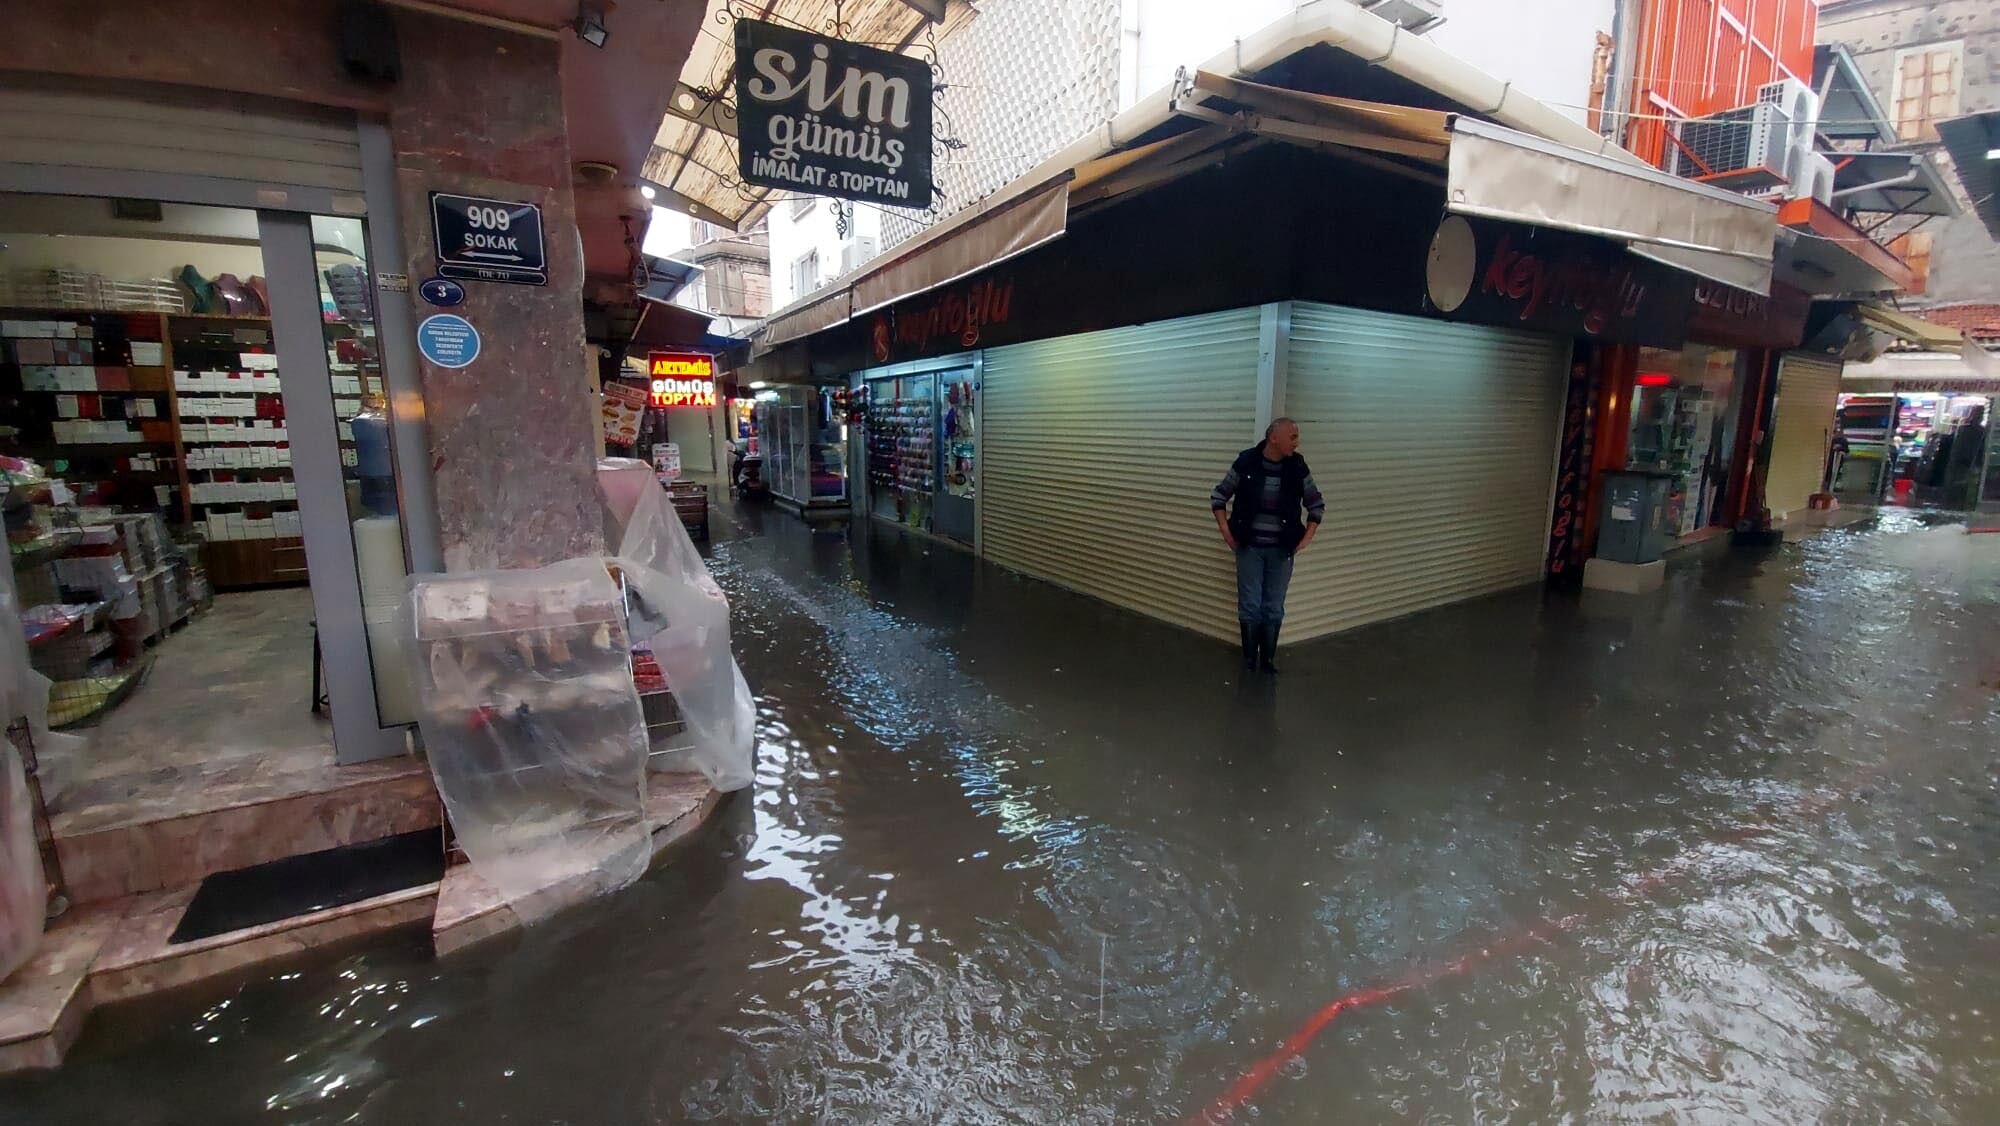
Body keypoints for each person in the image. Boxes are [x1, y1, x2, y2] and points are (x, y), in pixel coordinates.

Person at [1210, 418, 1324, 672]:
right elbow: (1219, 496)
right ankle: (1250, 660)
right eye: (1292, 437)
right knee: (1250, 604)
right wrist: (1226, 532)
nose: (1297, 442)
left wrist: (1307, 537)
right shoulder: (1246, 462)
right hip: (1249, 546)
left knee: (1273, 605)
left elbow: (1315, 504)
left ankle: (1268, 661)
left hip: (1282, 549)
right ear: (1274, 438)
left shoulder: (1297, 467)